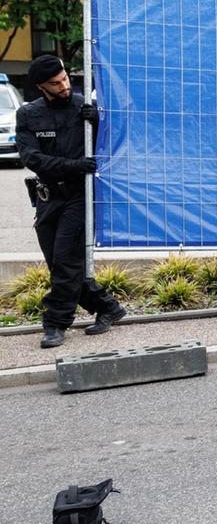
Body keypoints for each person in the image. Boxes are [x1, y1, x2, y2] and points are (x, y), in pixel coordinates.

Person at [15, 55, 126, 349]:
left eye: (65, 78)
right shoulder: (28, 115)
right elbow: (32, 158)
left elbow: (114, 144)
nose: (64, 85)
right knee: (60, 265)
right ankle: (108, 307)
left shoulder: (83, 108)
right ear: (41, 86)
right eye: (55, 83)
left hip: (79, 196)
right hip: (47, 197)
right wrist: (73, 165)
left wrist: (100, 122)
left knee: (66, 260)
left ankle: (55, 323)